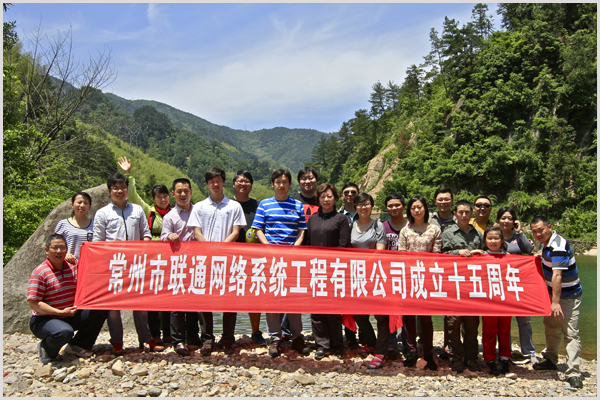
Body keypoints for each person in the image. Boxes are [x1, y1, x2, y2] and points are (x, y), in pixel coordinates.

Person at [92, 173, 164, 355]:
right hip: (113, 266)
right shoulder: (102, 213)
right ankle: (117, 341)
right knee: (113, 306)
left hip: (136, 264)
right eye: (115, 188)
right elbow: (98, 242)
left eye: (123, 187)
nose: (120, 191)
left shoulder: (137, 210)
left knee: (140, 304)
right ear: (109, 191)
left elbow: (145, 234)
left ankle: (146, 339)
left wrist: (143, 251)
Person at [250, 169, 310, 358]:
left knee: (294, 298)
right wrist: (268, 248)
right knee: (272, 298)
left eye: (284, 182)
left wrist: (295, 248)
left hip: (292, 258)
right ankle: (275, 338)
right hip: (270, 258)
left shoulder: (297, 205)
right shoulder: (264, 204)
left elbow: (301, 230)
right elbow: (258, 229)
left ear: (290, 184)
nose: (281, 185)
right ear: (273, 184)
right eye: (278, 182)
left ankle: (297, 336)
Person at [187, 167, 246, 356]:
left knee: (230, 299)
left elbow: (236, 232)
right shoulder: (199, 207)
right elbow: (197, 232)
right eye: (212, 181)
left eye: (218, 181)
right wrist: (210, 250)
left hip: (228, 259)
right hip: (204, 260)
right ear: (207, 184)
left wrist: (220, 249)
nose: (215, 184)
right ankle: (207, 339)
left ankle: (228, 338)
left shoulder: (234, 206)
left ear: (224, 182)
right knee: (204, 299)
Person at [28, 234, 108, 364]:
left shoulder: (73, 266)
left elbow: (92, 269)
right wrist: (59, 312)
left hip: (69, 314)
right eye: (55, 248)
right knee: (64, 332)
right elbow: (34, 304)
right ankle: (46, 348)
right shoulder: (40, 272)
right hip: (45, 319)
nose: (59, 251)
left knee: (100, 309)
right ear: (47, 250)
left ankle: (78, 346)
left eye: (62, 247)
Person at [118, 156, 172, 345]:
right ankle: (155, 334)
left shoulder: (175, 213)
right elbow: (133, 196)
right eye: (159, 197)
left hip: (171, 260)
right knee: (152, 298)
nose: (163, 199)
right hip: (151, 261)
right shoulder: (148, 211)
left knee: (168, 299)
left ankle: (169, 334)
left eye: (165, 196)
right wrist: (128, 175)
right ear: (153, 199)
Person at [530, 216, 583, 389]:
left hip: (568, 295)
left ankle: (573, 372)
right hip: (553, 294)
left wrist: (555, 302)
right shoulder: (547, 244)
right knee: (551, 326)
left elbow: (557, 275)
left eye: (541, 230)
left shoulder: (558, 246)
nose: (538, 234)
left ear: (549, 227)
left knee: (570, 332)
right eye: (535, 231)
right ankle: (551, 360)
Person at [306, 183, 351, 360]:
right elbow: (308, 243)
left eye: (329, 196)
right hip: (315, 269)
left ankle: (337, 345)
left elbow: (344, 244)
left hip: (334, 270)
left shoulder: (341, 219)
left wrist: (333, 265)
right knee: (316, 309)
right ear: (318, 199)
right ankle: (321, 345)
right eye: (323, 196)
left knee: (333, 308)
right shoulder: (312, 219)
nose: (326, 199)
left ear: (335, 198)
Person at [398, 196, 441, 371]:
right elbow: (401, 255)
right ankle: (412, 351)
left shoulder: (434, 230)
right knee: (408, 317)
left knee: (426, 318)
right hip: (409, 278)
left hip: (427, 278)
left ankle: (428, 353)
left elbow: (436, 254)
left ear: (425, 209)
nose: (417, 210)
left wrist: (426, 271)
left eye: (420, 207)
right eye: (413, 207)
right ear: (409, 210)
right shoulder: (405, 231)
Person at [441, 200, 484, 373]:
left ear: (471, 213)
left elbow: (486, 254)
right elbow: (441, 255)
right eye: (461, 212)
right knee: (453, 323)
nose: (464, 215)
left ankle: (471, 357)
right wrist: (456, 253)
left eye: (467, 212)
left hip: (473, 285)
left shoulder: (478, 234)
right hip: (453, 284)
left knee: (472, 324)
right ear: (455, 214)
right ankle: (456, 357)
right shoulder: (447, 233)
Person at [160, 178, 202, 357]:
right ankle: (178, 340)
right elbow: (162, 238)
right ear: (173, 194)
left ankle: (193, 336)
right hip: (177, 263)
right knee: (177, 303)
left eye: (186, 191)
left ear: (191, 192)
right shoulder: (170, 216)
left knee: (194, 301)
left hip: (197, 262)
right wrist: (169, 236)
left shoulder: (199, 211)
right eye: (179, 191)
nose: (183, 194)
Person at [350, 192, 389, 369]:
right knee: (358, 313)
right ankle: (372, 343)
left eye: (366, 204)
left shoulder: (378, 225)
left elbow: (380, 250)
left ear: (372, 206)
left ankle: (381, 352)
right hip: (356, 275)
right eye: (360, 204)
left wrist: (364, 262)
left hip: (375, 274)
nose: (363, 207)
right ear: (355, 207)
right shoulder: (351, 225)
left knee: (381, 315)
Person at [497, 206, 536, 363]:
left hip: (519, 284)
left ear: (514, 221)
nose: (506, 221)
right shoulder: (494, 237)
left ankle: (529, 351)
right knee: (503, 321)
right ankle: (505, 351)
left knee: (524, 320)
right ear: (498, 220)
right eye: (503, 218)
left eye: (510, 218)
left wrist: (520, 232)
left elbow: (528, 249)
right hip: (501, 284)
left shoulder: (518, 237)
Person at [230, 170, 266, 346]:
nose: (243, 184)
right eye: (239, 181)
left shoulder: (258, 206)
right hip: (231, 256)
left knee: (254, 294)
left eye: (246, 181)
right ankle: (227, 333)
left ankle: (256, 331)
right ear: (233, 184)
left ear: (251, 185)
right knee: (230, 294)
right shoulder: (227, 205)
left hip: (254, 257)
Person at [429, 186, 457, 360]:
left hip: (452, 270)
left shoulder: (459, 219)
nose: (443, 202)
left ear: (452, 201)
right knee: (424, 306)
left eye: (447, 199)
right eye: (440, 199)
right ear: (435, 202)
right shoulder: (429, 219)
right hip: (430, 269)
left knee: (452, 309)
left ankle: (450, 345)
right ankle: (424, 343)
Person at [481, 226, 511, 376]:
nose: (493, 241)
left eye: (496, 238)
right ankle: (489, 358)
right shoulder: (480, 257)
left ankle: (505, 357)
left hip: (506, 300)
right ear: (485, 240)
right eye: (490, 238)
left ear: (502, 240)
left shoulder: (509, 257)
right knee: (489, 331)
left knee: (504, 330)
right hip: (488, 300)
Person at [382, 193, 408, 359]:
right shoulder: (383, 226)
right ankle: (391, 344)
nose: (394, 208)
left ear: (403, 206)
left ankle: (407, 344)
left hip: (408, 273)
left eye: (397, 205)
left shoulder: (411, 226)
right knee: (389, 309)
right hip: (388, 274)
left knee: (407, 311)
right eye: (390, 205)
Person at [338, 182, 361, 348]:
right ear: (342, 196)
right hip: (343, 263)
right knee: (345, 300)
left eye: (353, 192)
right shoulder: (338, 215)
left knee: (362, 298)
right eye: (347, 192)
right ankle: (350, 335)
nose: (350, 195)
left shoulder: (365, 213)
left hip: (362, 263)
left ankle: (365, 333)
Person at [54, 191, 94, 264]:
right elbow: (55, 245)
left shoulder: (95, 226)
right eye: (79, 202)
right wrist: (65, 254)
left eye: (85, 203)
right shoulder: (63, 224)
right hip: (68, 265)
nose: (82, 205)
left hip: (88, 265)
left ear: (89, 206)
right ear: (72, 205)